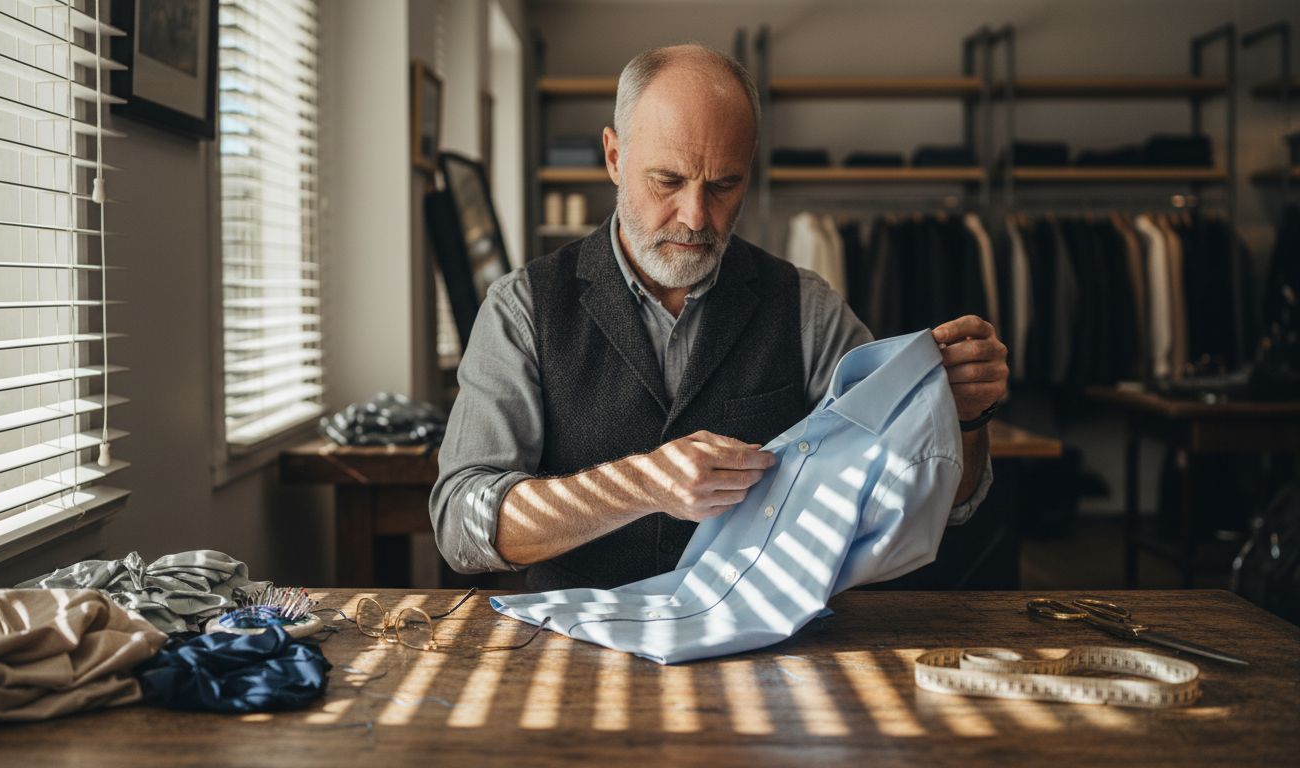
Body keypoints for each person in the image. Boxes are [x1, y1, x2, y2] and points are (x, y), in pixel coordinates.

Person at [429, 44, 1008, 591]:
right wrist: (641, 484)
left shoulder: (806, 307)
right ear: (613, 157)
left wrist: (963, 417)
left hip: (763, 653)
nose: (696, 216)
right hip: (576, 651)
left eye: (724, 184)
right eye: (668, 180)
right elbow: (463, 526)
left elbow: (933, 501)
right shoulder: (523, 308)